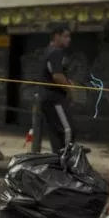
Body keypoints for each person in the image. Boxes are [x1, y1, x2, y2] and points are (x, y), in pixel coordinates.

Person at [40, 24, 75, 155]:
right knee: (68, 130)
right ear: (56, 37)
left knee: (55, 133)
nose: (69, 39)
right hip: (55, 98)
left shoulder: (49, 51)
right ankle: (66, 160)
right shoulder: (55, 52)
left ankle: (58, 163)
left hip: (49, 98)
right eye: (65, 36)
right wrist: (71, 88)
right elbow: (57, 76)